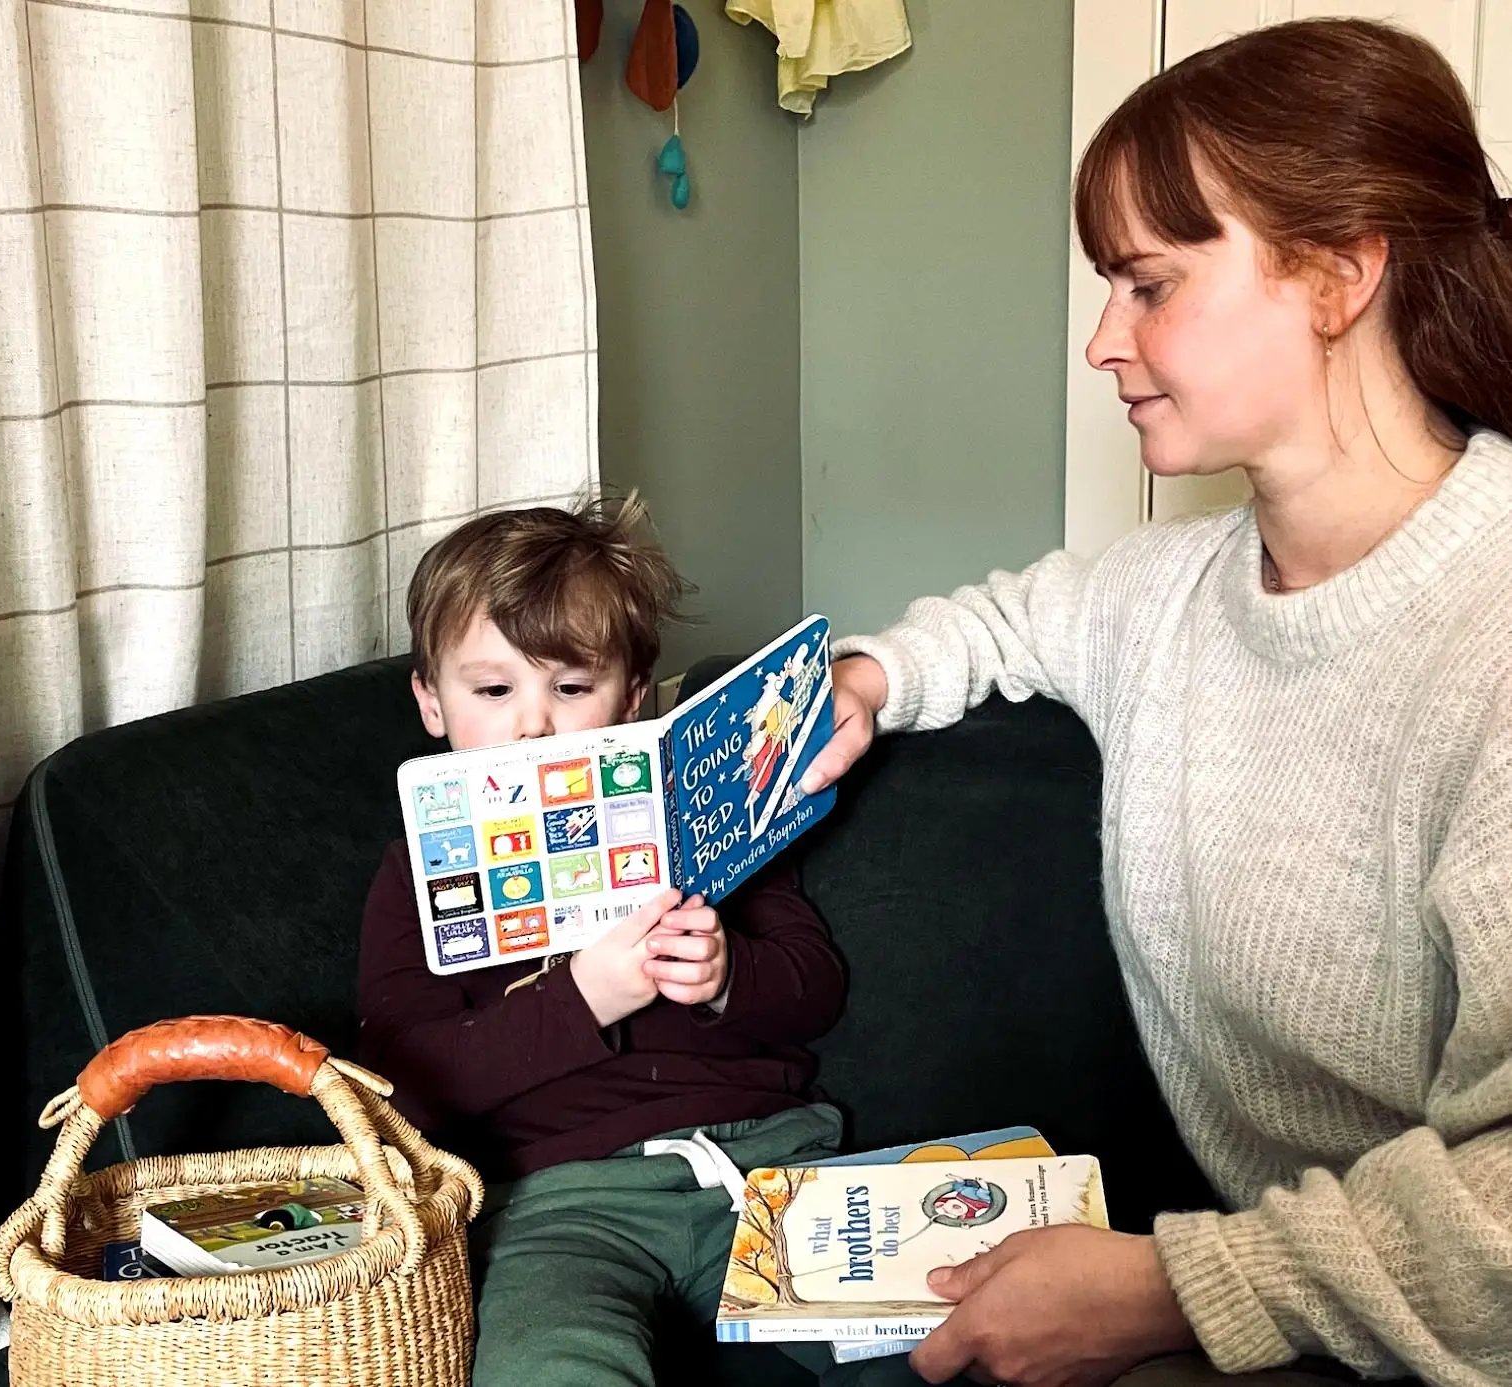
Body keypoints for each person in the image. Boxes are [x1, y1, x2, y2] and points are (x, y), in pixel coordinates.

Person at [801, 18, 1512, 1387]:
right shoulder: (1166, 590)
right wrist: (872, 677)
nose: (1097, 343)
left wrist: (1169, 1284)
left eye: (1145, 284)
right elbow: (1009, 617)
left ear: (1334, 271)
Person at [357, 496, 849, 1387]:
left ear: (633, 695)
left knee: (931, 1339)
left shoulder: (707, 822)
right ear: (432, 701)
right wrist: (583, 997)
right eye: (493, 689)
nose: (533, 724)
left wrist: (730, 974)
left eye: (571, 688)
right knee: (546, 1361)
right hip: (558, 1205)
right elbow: (402, 1088)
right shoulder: (414, 874)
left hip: (767, 1162)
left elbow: (816, 987)